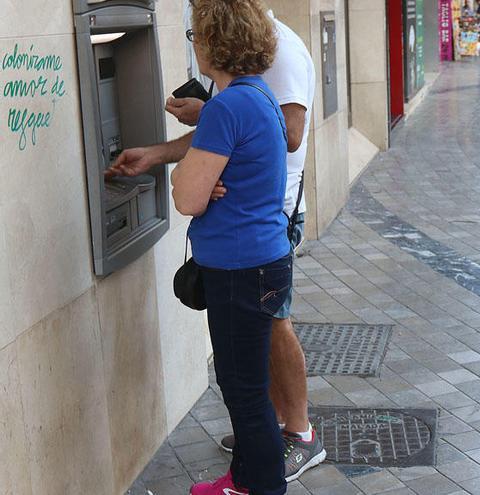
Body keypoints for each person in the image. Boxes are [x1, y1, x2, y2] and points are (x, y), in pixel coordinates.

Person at [106, 2, 325, 491]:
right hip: (261, 260)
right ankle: (243, 480)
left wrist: (196, 178)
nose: (194, 43)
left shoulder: (229, 106)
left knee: (245, 393)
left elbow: (186, 198)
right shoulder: (257, 94)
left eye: (196, 34)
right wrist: (210, 177)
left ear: (215, 40)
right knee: (245, 387)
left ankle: (262, 487)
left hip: (239, 269)